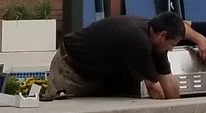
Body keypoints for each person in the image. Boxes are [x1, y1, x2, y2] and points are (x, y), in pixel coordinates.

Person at [48, 10, 185, 99]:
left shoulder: (157, 43)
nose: (171, 49)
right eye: (172, 44)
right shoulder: (138, 40)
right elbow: (155, 90)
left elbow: (168, 81)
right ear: (163, 35)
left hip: (95, 72)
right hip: (70, 67)